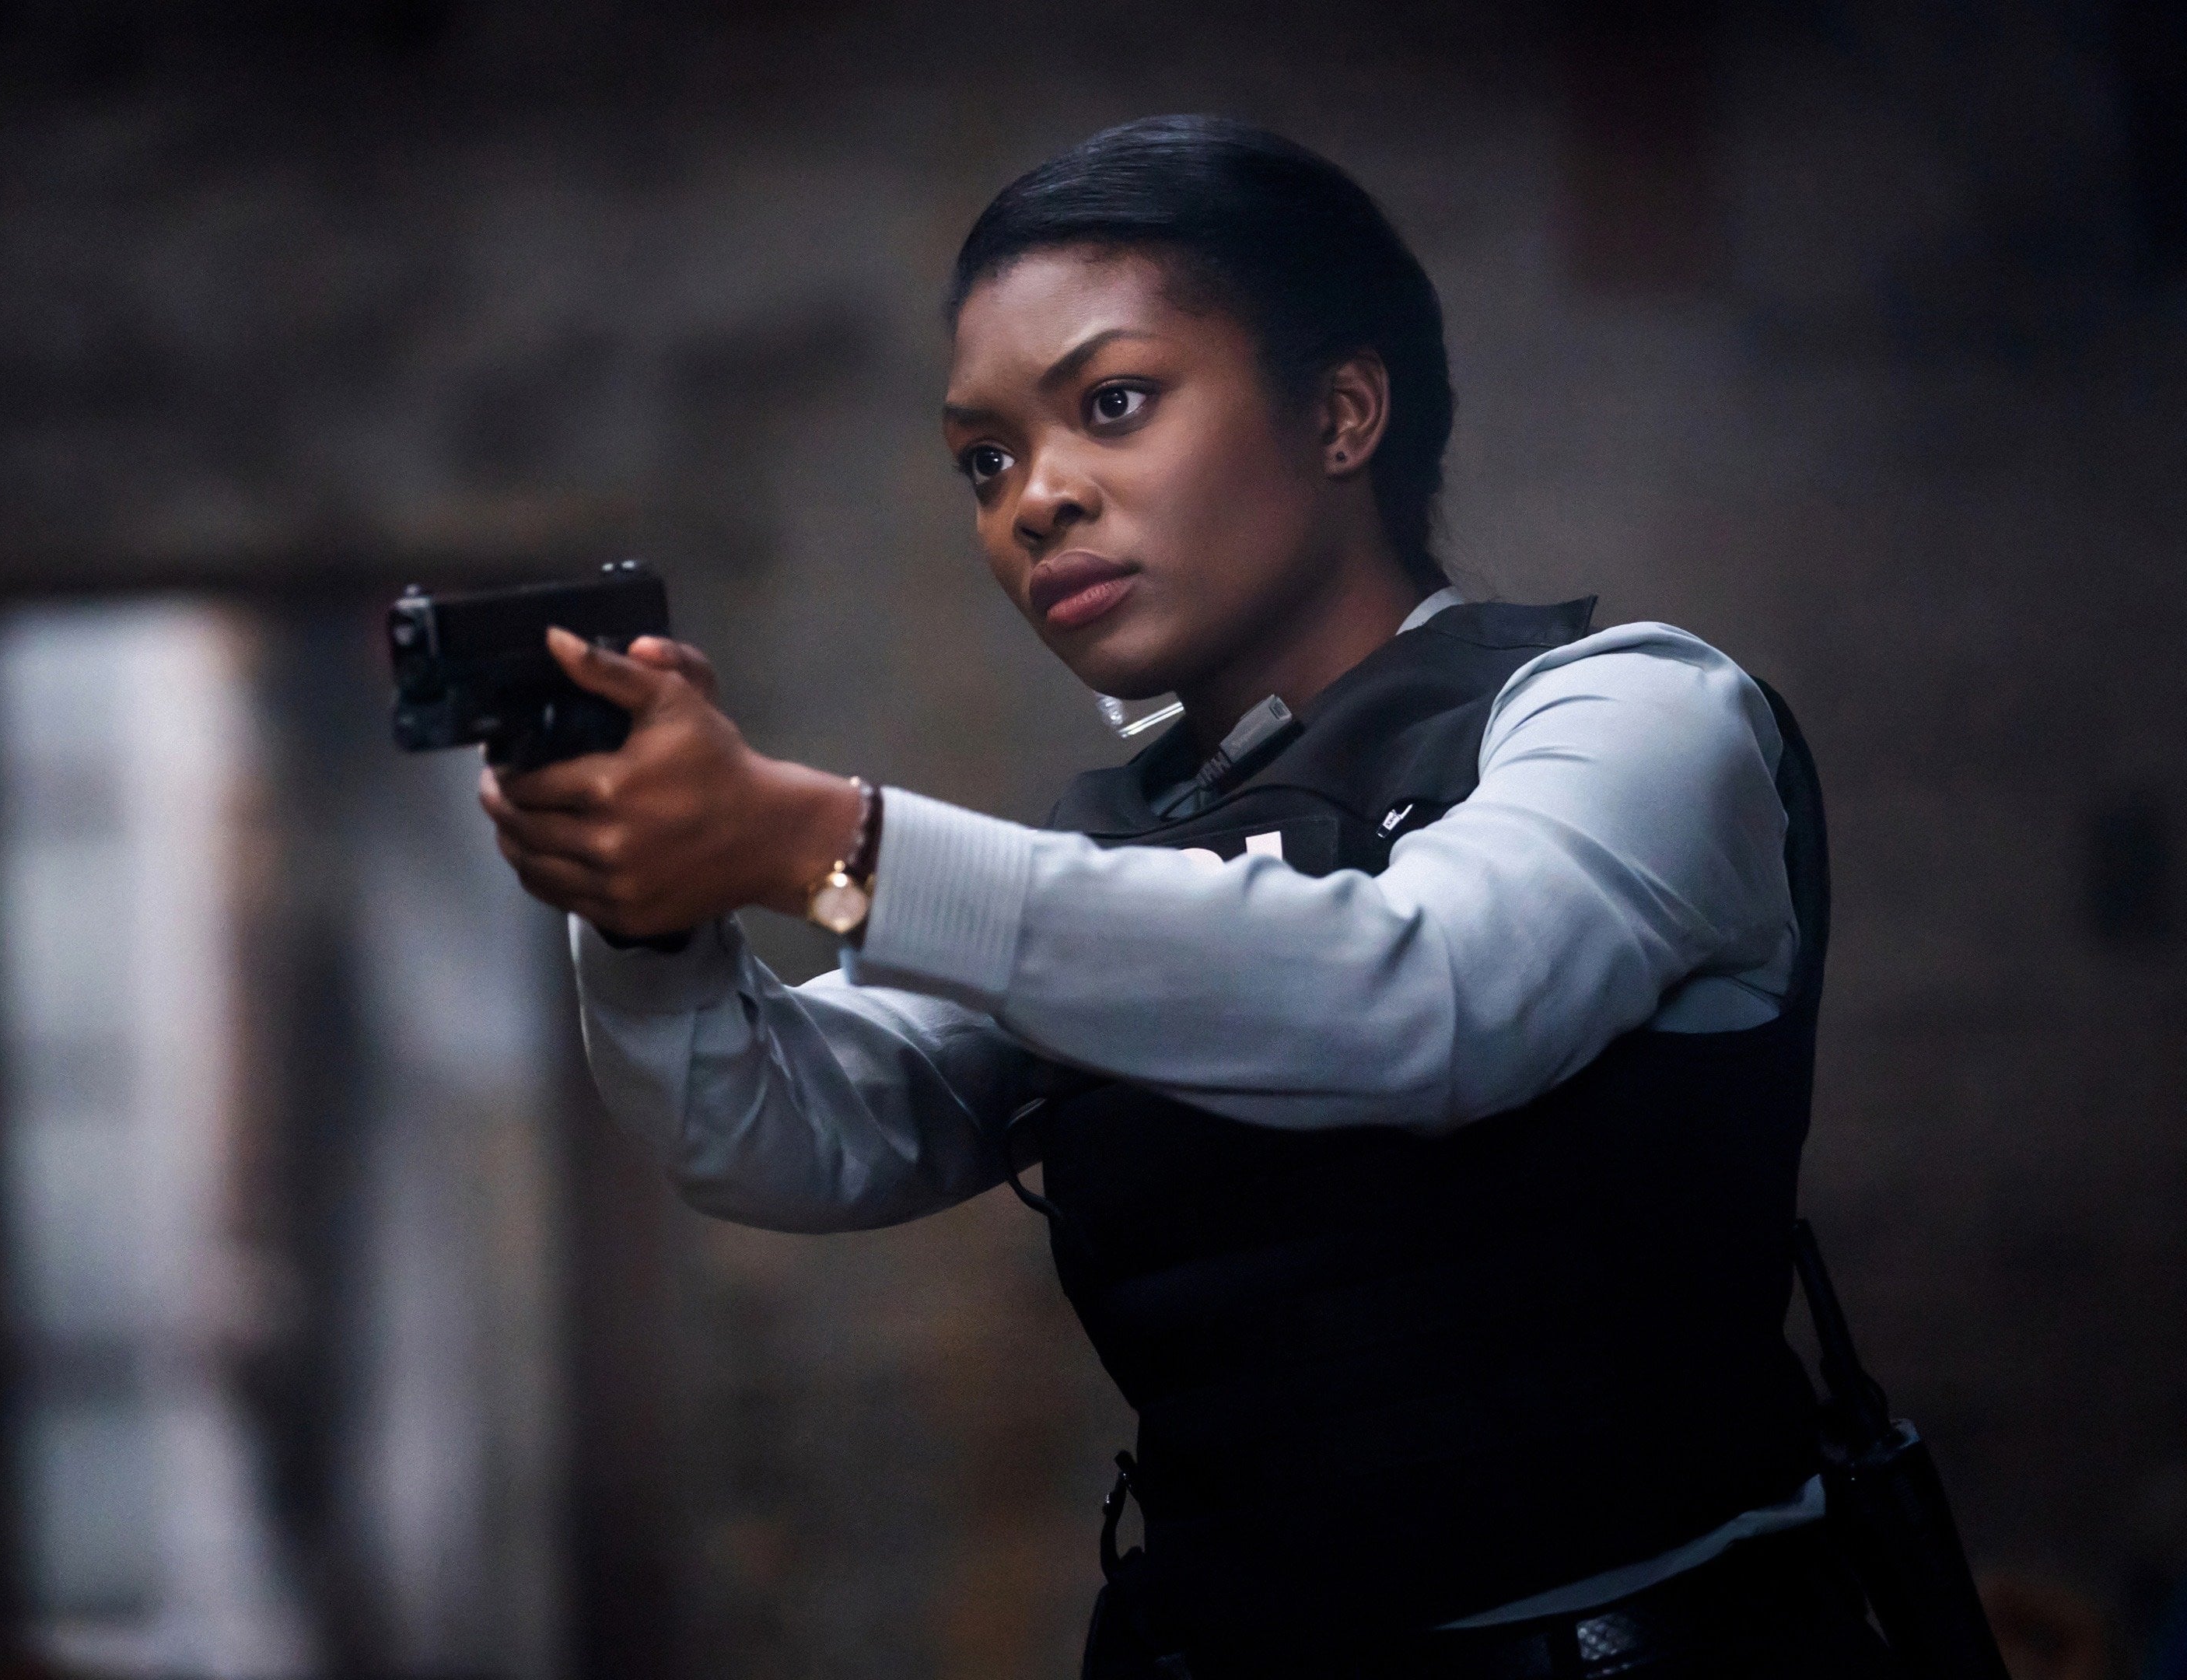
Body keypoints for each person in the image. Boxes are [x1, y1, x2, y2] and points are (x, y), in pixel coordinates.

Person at [478, 115, 1893, 1678]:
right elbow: (782, 1124)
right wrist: (649, 898)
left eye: (1115, 403)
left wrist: (830, 842)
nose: (1035, 500)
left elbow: (1432, 994)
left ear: (1342, 413)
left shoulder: (1631, 713)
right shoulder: (1123, 853)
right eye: (985, 459)